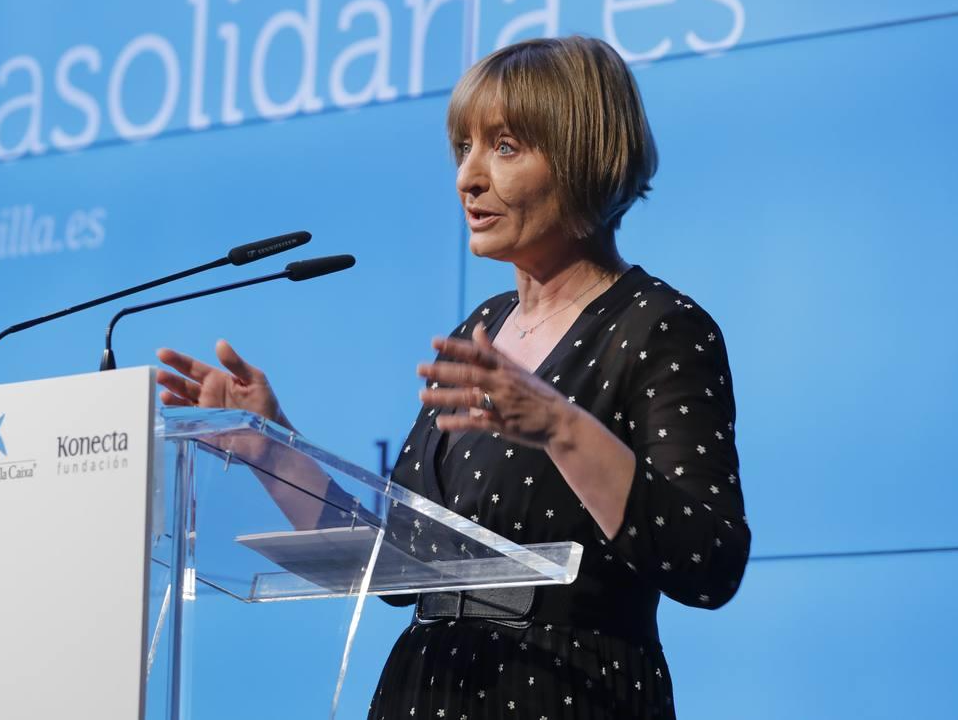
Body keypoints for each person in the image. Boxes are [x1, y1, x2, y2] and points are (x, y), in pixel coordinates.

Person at [156, 36, 751, 719]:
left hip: (566, 691)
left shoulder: (659, 327)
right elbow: (399, 563)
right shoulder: (485, 326)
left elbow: (709, 561)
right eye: (462, 148)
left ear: (586, 154)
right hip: (427, 691)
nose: (468, 177)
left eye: (503, 147)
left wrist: (561, 426)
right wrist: (271, 448)